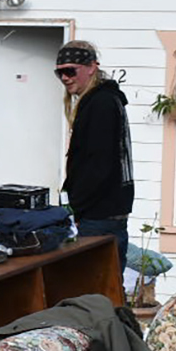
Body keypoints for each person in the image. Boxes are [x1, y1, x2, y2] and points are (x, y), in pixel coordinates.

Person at [57, 40, 134, 269]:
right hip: (104, 213)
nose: (65, 78)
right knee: (105, 287)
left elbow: (100, 164)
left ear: (92, 67)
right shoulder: (104, 100)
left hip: (97, 217)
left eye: (70, 71)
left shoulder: (101, 103)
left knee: (89, 288)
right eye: (59, 73)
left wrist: (75, 209)